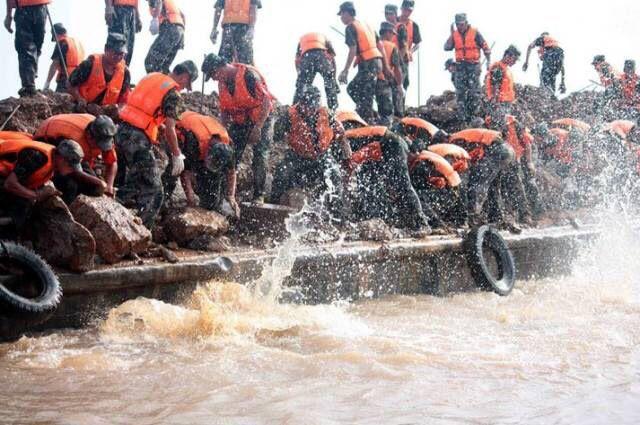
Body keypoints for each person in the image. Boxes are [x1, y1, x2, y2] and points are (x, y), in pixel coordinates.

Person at [116, 60, 198, 228]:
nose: (184, 88)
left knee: (133, 182)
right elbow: (170, 129)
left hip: (121, 132)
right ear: (184, 76)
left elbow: (144, 109)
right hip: (137, 140)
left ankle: (114, 217)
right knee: (155, 191)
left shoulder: (152, 78)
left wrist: (155, 126)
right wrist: (176, 155)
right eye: (187, 84)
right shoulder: (173, 93)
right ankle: (141, 234)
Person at [201, 53, 275, 203]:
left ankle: (259, 195)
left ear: (219, 68)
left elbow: (267, 102)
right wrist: (223, 132)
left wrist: (258, 127)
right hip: (241, 121)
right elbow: (224, 110)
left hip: (262, 118)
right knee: (229, 152)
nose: (214, 79)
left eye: (213, 74)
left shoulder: (248, 75)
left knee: (260, 154)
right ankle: (222, 194)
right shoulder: (222, 83)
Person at [337, 113, 430, 231]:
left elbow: (349, 164)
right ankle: (371, 218)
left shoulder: (341, 141)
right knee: (367, 187)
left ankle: (421, 223)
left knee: (402, 185)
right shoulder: (348, 138)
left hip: (390, 143)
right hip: (380, 148)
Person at [271, 86, 352, 213]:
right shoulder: (289, 115)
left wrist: (347, 157)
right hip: (297, 156)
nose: (310, 110)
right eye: (307, 106)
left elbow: (341, 134)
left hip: (322, 157)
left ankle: (338, 214)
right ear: (302, 103)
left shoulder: (327, 113)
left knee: (335, 176)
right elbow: (276, 136)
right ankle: (273, 206)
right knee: (282, 172)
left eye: (313, 107)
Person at [0, 138, 95, 235]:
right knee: (18, 214)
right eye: (70, 166)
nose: (72, 170)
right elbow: (9, 184)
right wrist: (36, 195)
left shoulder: (53, 159)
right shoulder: (37, 157)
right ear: (61, 158)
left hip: (6, 177)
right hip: (3, 176)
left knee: (25, 210)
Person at [170, 111, 240, 217]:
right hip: (178, 132)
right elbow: (185, 172)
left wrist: (231, 196)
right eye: (210, 162)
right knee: (173, 170)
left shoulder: (228, 148)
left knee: (211, 200)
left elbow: (232, 172)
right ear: (209, 150)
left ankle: (209, 202)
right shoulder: (192, 142)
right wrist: (190, 198)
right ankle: (164, 201)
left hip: (202, 138)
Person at [34, 114, 118, 201]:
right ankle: (53, 208)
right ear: (89, 136)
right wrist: (99, 183)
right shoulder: (71, 139)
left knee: (94, 188)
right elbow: (73, 171)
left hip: (75, 155)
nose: (101, 148)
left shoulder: (104, 134)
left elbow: (112, 163)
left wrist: (109, 185)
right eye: (99, 145)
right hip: (50, 145)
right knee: (71, 186)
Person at [449, 127, 516, 228]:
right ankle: (496, 217)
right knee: (493, 187)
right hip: (507, 150)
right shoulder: (461, 135)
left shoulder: (454, 140)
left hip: (498, 151)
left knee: (476, 184)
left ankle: (473, 217)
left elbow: (467, 157)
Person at [337, 1, 386, 124]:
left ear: (348, 13)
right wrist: (384, 66)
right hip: (376, 62)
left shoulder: (350, 27)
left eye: (342, 14)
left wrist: (345, 70)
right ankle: (366, 112)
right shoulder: (366, 25)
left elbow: (352, 49)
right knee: (354, 89)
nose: (341, 17)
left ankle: (368, 120)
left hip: (368, 64)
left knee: (365, 94)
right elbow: (380, 45)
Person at [444, 13, 492, 125]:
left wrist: (488, 62)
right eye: (457, 24)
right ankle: (463, 121)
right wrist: (451, 34)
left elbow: (486, 48)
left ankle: (473, 117)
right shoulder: (455, 34)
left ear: (466, 23)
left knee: (474, 93)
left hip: (473, 66)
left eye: (461, 24)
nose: (459, 27)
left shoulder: (475, 32)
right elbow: (446, 47)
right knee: (460, 93)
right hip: (460, 67)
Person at [68, 33, 131, 109]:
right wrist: (79, 99)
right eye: (115, 53)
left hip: (106, 115)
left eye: (121, 54)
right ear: (106, 49)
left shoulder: (125, 73)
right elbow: (70, 84)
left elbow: (124, 100)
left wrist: (118, 109)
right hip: (83, 109)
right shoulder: (89, 64)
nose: (118, 57)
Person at [501, 115, 542, 224]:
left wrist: (529, 162)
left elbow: (527, 144)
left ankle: (525, 215)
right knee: (504, 188)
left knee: (518, 186)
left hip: (515, 159)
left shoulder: (516, 126)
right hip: (502, 160)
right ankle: (510, 214)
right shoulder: (495, 125)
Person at [4, 0, 50, 97]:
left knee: (26, 48)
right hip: (41, 8)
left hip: (25, 10)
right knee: (36, 48)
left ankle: (29, 87)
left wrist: (8, 15)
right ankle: (30, 81)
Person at [293, 32, 339, 111]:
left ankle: (295, 108)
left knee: (302, 87)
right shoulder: (325, 38)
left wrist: (301, 77)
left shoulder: (301, 41)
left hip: (307, 58)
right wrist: (333, 80)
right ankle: (333, 109)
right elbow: (332, 61)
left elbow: (297, 61)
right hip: (322, 58)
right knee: (329, 83)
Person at [211, 0, 261, 65]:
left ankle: (225, 69)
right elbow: (253, 8)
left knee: (225, 59)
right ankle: (245, 71)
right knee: (245, 60)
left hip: (229, 28)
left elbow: (218, 8)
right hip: (243, 28)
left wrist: (214, 28)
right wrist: (251, 28)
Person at [485, 45, 520, 129]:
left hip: (505, 104)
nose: (514, 62)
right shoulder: (498, 67)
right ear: (507, 56)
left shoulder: (506, 69)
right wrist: (496, 104)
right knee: (500, 127)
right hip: (499, 103)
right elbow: (495, 86)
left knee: (505, 126)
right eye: (514, 59)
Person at [145, 0, 185, 74]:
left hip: (170, 27)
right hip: (179, 31)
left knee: (151, 62)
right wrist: (181, 38)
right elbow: (183, 16)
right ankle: (166, 83)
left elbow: (158, 2)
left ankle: (156, 84)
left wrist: (155, 18)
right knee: (164, 67)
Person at [43, 23, 85, 93]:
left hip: (66, 79)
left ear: (56, 34)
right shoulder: (77, 43)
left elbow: (55, 64)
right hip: (79, 79)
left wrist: (47, 83)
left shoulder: (62, 42)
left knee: (60, 101)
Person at [377, 22, 403, 123]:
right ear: (387, 32)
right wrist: (400, 85)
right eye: (392, 34)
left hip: (371, 81)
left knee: (379, 109)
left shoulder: (373, 45)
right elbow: (397, 68)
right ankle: (385, 135)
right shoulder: (392, 46)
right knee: (387, 112)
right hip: (384, 81)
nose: (393, 36)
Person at [105, 0, 142, 66]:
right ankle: (110, 73)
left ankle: (123, 74)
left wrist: (137, 16)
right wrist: (108, 8)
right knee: (116, 47)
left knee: (128, 50)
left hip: (131, 11)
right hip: (118, 10)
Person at [397, 0, 421, 91]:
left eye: (410, 10)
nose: (407, 12)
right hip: (391, 57)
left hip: (404, 59)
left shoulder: (414, 25)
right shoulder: (393, 20)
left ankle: (401, 104)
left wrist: (411, 51)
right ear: (401, 8)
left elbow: (418, 43)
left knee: (404, 82)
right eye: (405, 9)